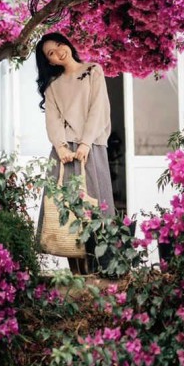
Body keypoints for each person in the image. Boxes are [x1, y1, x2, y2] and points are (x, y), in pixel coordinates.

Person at [35, 32, 115, 274]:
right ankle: (77, 277)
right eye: (51, 53)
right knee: (67, 213)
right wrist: (60, 147)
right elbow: (53, 119)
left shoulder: (93, 71)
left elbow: (98, 109)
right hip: (64, 154)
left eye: (59, 45)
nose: (58, 52)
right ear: (49, 62)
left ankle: (99, 273)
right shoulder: (53, 86)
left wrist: (85, 143)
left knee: (95, 211)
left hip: (90, 149)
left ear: (67, 44)